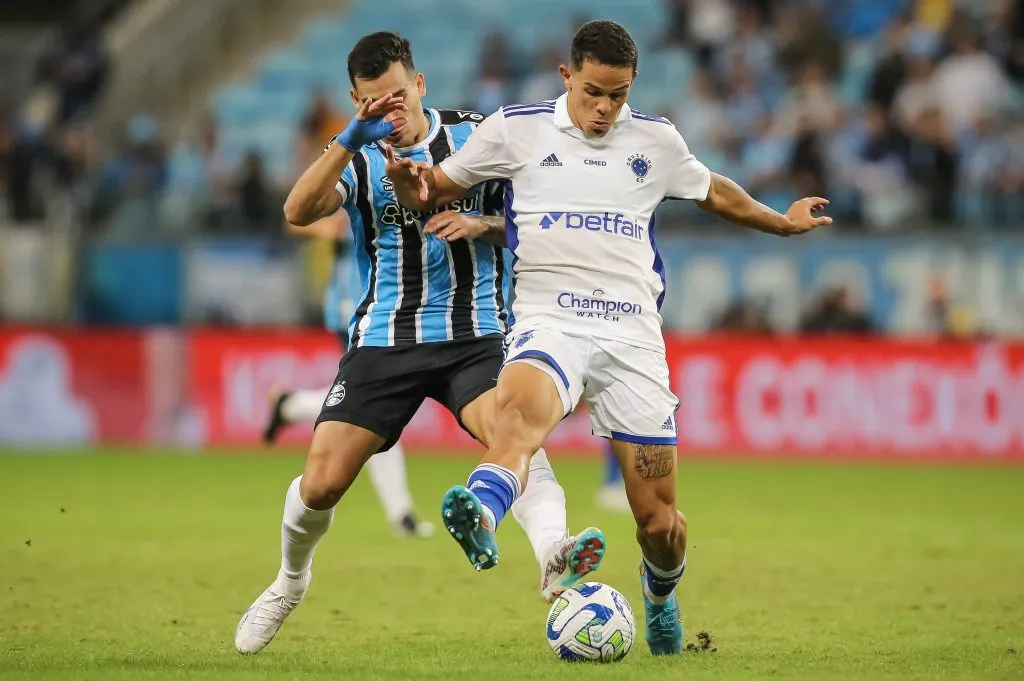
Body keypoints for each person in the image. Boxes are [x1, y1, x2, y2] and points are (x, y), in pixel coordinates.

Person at [386, 20, 830, 656]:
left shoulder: (657, 140)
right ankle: (482, 511)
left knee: (659, 522)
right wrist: (413, 185)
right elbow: (434, 186)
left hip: (631, 336)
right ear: (567, 75)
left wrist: (780, 225)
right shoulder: (516, 128)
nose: (605, 108)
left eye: (618, 95)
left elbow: (713, 191)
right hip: (549, 317)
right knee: (519, 413)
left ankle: (660, 592)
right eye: (595, 91)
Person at [234, 31, 605, 656]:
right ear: (358, 101)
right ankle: (289, 582)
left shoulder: (477, 137)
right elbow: (297, 211)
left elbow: (535, 226)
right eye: (377, 103)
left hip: (478, 334)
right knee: (322, 484)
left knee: (513, 433)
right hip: (386, 341)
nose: (392, 111)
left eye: (400, 96)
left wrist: (481, 225)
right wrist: (349, 138)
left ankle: (553, 554)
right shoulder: (355, 156)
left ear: (421, 85)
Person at [262, 209, 434, 539]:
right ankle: (401, 514)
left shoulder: (397, 171)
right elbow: (294, 216)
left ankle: (288, 404)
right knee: (376, 406)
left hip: (387, 306)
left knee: (371, 405)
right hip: (356, 305)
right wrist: (327, 227)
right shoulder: (355, 167)